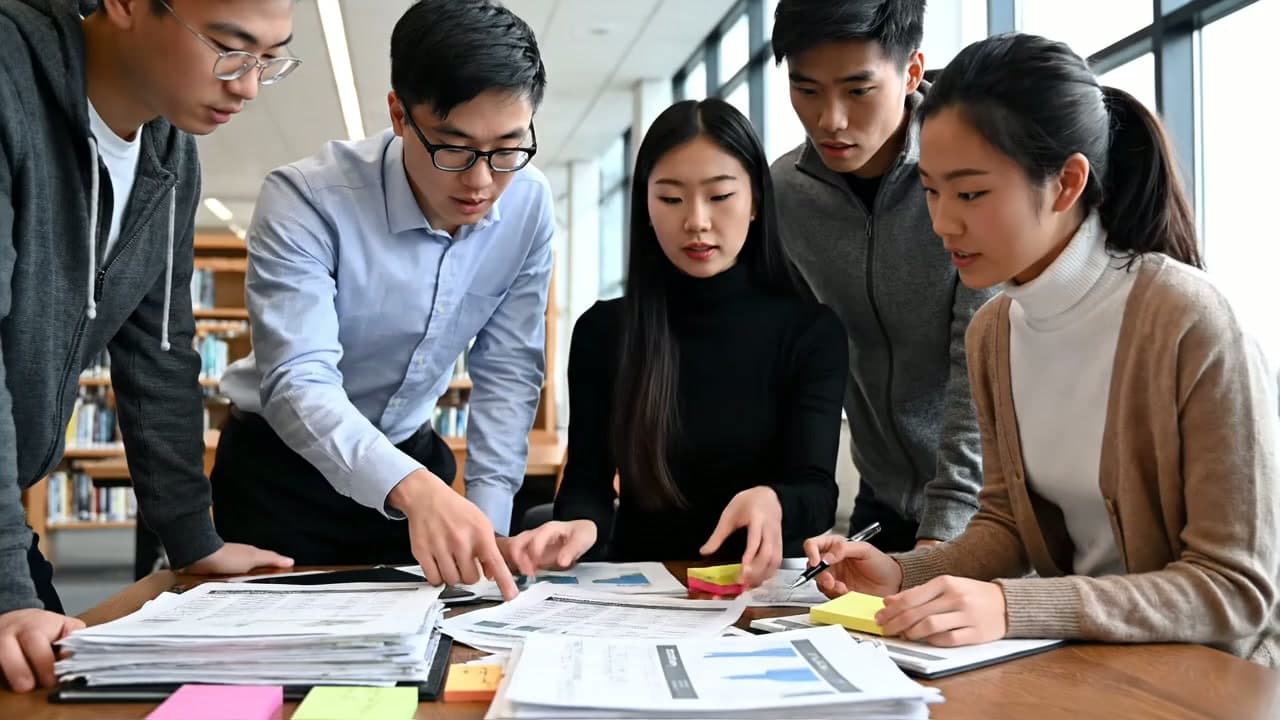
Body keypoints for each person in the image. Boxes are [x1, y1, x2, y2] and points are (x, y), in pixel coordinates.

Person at [804, 33, 1280, 664]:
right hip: (1085, 664)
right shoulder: (995, 331)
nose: (944, 221)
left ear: (1066, 183)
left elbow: (1235, 589)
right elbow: (1005, 527)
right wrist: (900, 574)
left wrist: (1013, 608)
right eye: (931, 190)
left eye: (970, 193)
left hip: (1207, 679)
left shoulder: (1186, 321)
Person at [0, 0, 302, 693]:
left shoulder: (168, 154)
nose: (249, 84)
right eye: (230, 47)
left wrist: (195, 540)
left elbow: (160, 355)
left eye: (269, 58)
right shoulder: (9, 80)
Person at [212, 0, 553, 601]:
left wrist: (490, 518)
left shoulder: (527, 203)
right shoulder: (308, 199)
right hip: (284, 474)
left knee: (435, 660)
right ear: (399, 114)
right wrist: (413, 488)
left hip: (414, 454)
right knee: (286, 670)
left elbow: (508, 370)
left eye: (507, 148)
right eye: (453, 148)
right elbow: (299, 380)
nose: (480, 182)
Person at [505, 99, 846, 589]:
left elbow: (816, 491)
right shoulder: (606, 331)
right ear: (645, 206)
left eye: (720, 196)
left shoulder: (811, 332)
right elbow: (587, 482)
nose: (696, 221)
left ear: (755, 203)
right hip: (643, 587)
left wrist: (774, 500)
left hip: (764, 591)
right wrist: (582, 521)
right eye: (670, 199)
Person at [770, 0, 994, 552]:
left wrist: (942, 537)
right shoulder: (785, 194)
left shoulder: (966, 175)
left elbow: (979, 362)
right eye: (807, 90)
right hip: (881, 499)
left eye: (858, 90)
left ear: (912, 71)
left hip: (990, 507)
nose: (831, 120)